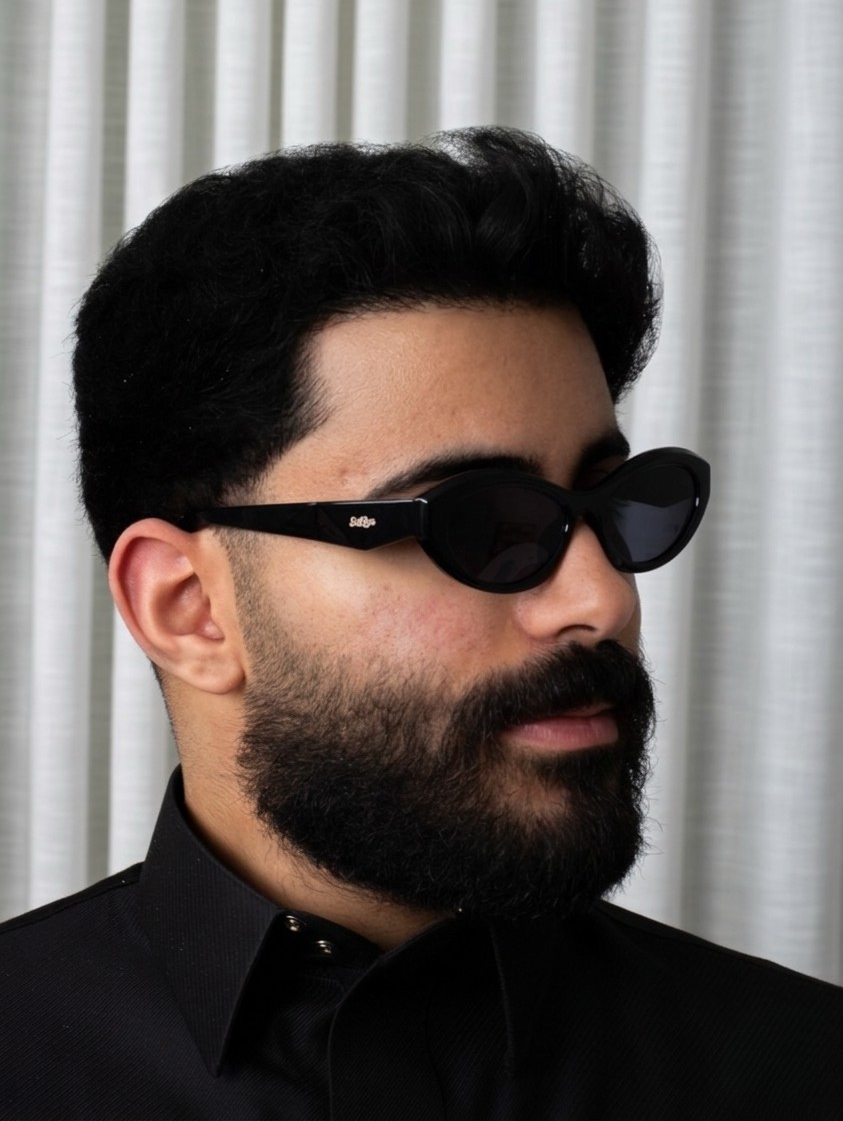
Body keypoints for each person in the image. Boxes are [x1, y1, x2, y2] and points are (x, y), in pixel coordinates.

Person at [0, 128, 839, 1120]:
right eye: (479, 524)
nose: (603, 600)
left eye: (614, 507)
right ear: (189, 610)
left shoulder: (799, 1069)